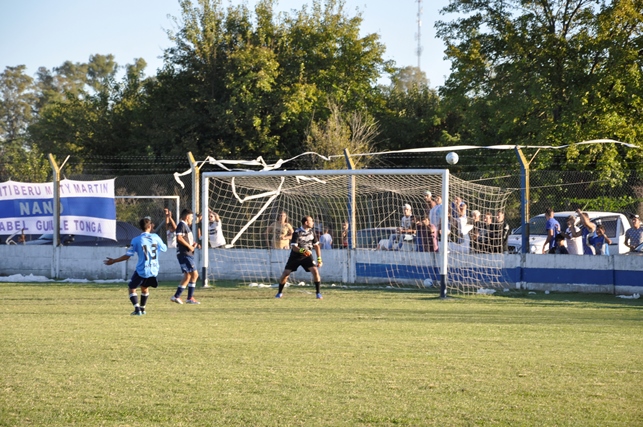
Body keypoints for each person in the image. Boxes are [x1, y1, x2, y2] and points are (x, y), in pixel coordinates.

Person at [104, 217, 168, 315]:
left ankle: (137, 309)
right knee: (144, 287)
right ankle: (143, 309)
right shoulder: (156, 237)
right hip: (154, 269)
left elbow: (127, 255)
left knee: (131, 288)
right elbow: (164, 248)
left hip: (142, 269)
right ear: (150, 226)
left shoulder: (136, 240)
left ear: (140, 227)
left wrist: (114, 260)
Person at [275, 216, 323, 299]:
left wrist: (319, 259)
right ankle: (279, 292)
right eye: (311, 221)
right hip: (295, 256)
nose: (313, 222)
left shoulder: (312, 232)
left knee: (315, 271)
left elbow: (317, 246)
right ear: (306, 223)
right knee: (285, 274)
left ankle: (318, 293)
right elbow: (294, 248)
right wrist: (304, 251)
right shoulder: (297, 232)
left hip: (307, 257)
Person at [170, 208, 200, 304]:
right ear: (187, 217)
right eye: (191, 217)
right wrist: (189, 247)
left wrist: (192, 245)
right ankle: (188, 298)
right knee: (194, 274)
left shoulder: (185, 226)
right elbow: (179, 238)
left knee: (188, 276)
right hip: (185, 254)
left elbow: (184, 239)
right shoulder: (181, 224)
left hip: (187, 253)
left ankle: (177, 296)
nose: (192, 219)